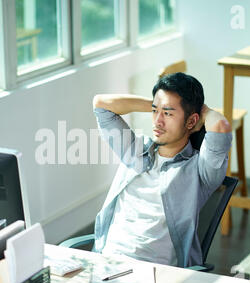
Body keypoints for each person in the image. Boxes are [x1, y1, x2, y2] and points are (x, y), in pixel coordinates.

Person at [92, 72, 232, 268]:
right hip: (106, 262)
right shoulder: (134, 150)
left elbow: (221, 125)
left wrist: (202, 111)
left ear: (191, 121)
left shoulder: (199, 172)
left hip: (155, 273)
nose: (157, 122)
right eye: (154, 111)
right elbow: (101, 104)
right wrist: (159, 105)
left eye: (167, 114)